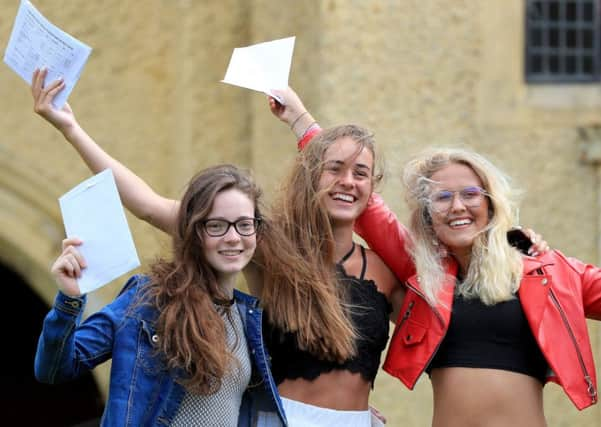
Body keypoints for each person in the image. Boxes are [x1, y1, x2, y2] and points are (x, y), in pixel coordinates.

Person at [31, 68, 403, 426]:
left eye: (361, 173)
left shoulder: (385, 271)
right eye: (334, 169)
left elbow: (444, 329)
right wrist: (71, 130)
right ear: (311, 175)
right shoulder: (265, 243)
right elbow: (146, 204)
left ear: (373, 186)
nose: (347, 182)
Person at [34, 164, 290, 426]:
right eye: (216, 225)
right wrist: (69, 299)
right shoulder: (148, 300)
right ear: (193, 231)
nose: (233, 237)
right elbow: (53, 369)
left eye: (244, 224)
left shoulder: (250, 321)